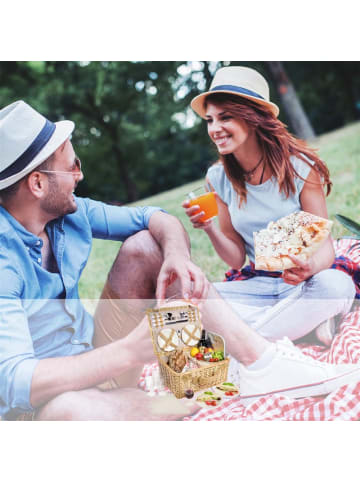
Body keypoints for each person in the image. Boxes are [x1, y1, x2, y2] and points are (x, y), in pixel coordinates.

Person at [1, 100, 360, 421]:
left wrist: (175, 257)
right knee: (71, 411)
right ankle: (165, 404)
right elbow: (15, 381)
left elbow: (156, 218)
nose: (80, 175)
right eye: (72, 166)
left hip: (96, 356)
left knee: (146, 246)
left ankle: (256, 363)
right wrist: (127, 352)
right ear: (37, 184)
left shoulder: (69, 214)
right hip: (41, 404)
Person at [183, 66, 356, 347]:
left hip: (304, 283)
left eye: (225, 117)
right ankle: (303, 327)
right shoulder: (217, 178)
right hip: (259, 285)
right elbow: (237, 259)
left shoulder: (300, 168)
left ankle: (245, 340)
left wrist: (309, 268)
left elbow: (323, 245)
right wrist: (208, 227)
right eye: (210, 119)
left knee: (336, 286)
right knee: (195, 299)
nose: (215, 129)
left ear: (253, 118)